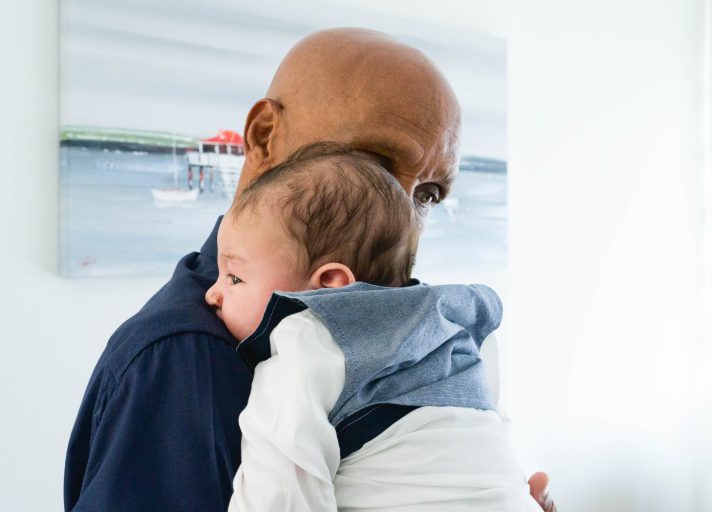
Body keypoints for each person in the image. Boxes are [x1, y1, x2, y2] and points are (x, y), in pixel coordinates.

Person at [64, 28, 557, 512]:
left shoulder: (420, 334)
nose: (404, 220)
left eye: (427, 195)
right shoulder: (189, 358)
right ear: (262, 138)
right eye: (372, 164)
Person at [208, 142, 542, 511]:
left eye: (233, 277)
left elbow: (278, 495)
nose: (212, 293)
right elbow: (492, 437)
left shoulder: (306, 340)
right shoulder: (453, 326)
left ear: (331, 284)